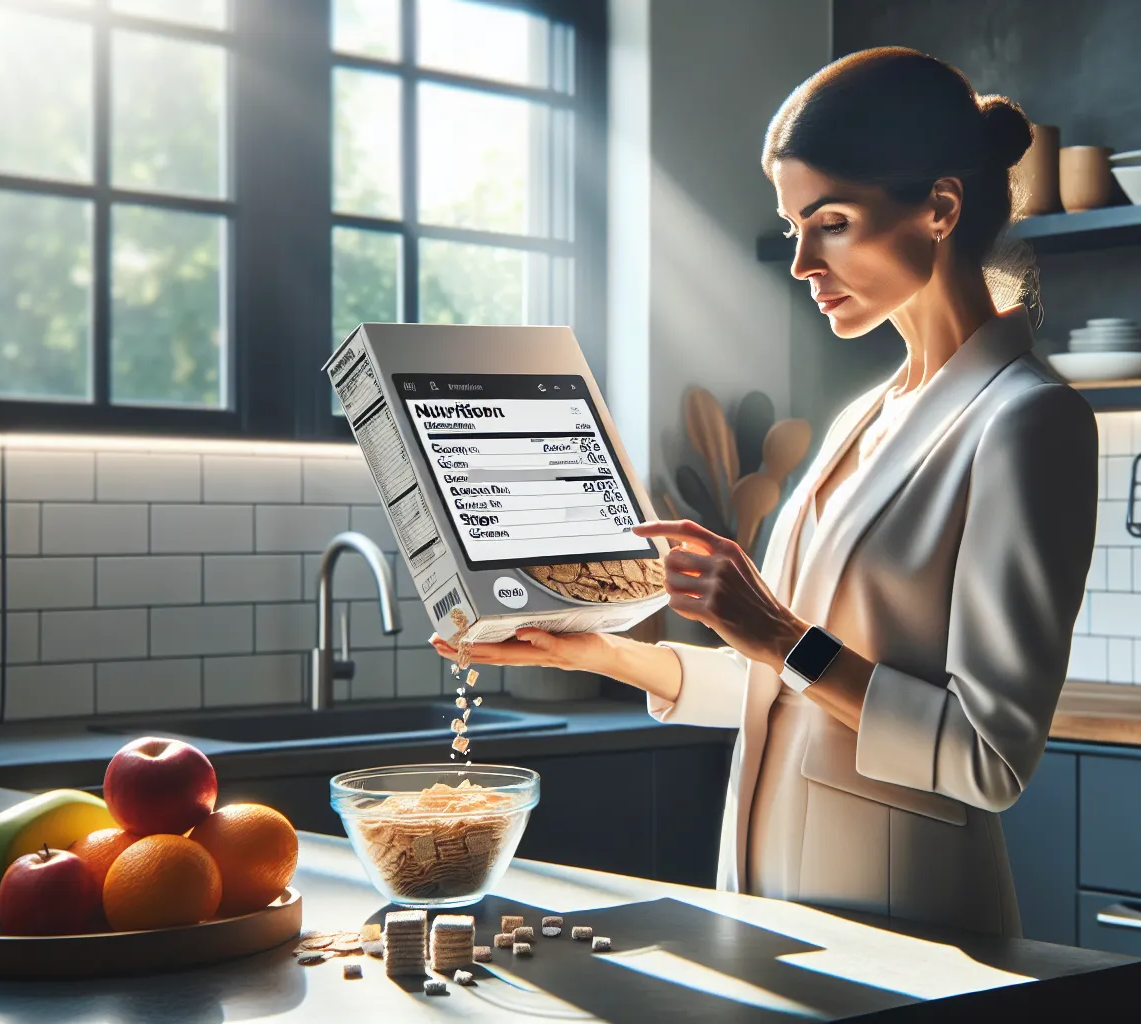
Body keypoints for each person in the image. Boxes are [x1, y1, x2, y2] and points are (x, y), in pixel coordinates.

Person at [433, 47, 1098, 937]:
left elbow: (988, 758)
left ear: (940, 207)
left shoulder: (1027, 421)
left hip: (911, 928)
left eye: (831, 221)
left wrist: (781, 635)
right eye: (792, 227)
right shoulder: (864, 415)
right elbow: (778, 688)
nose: (801, 263)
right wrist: (593, 653)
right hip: (768, 906)